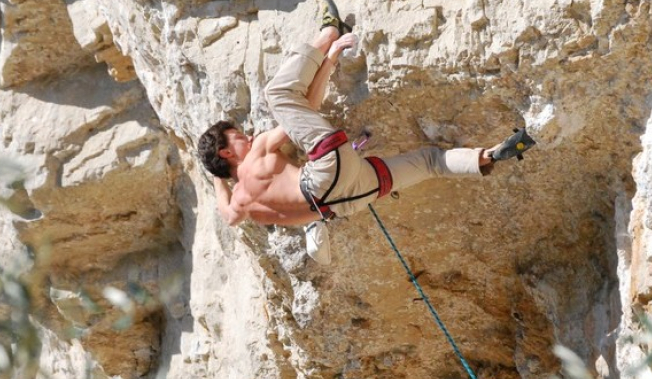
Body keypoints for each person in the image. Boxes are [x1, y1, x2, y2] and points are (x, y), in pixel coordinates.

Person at [198, 0, 534, 263]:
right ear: (227, 152)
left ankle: (485, 158)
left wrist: (216, 176)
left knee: (431, 161)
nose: (246, 136)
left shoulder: (243, 206)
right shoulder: (256, 155)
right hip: (326, 170)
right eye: (237, 137)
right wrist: (328, 58)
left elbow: (226, 216)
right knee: (277, 94)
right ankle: (329, 29)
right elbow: (305, 108)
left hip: (346, 201)